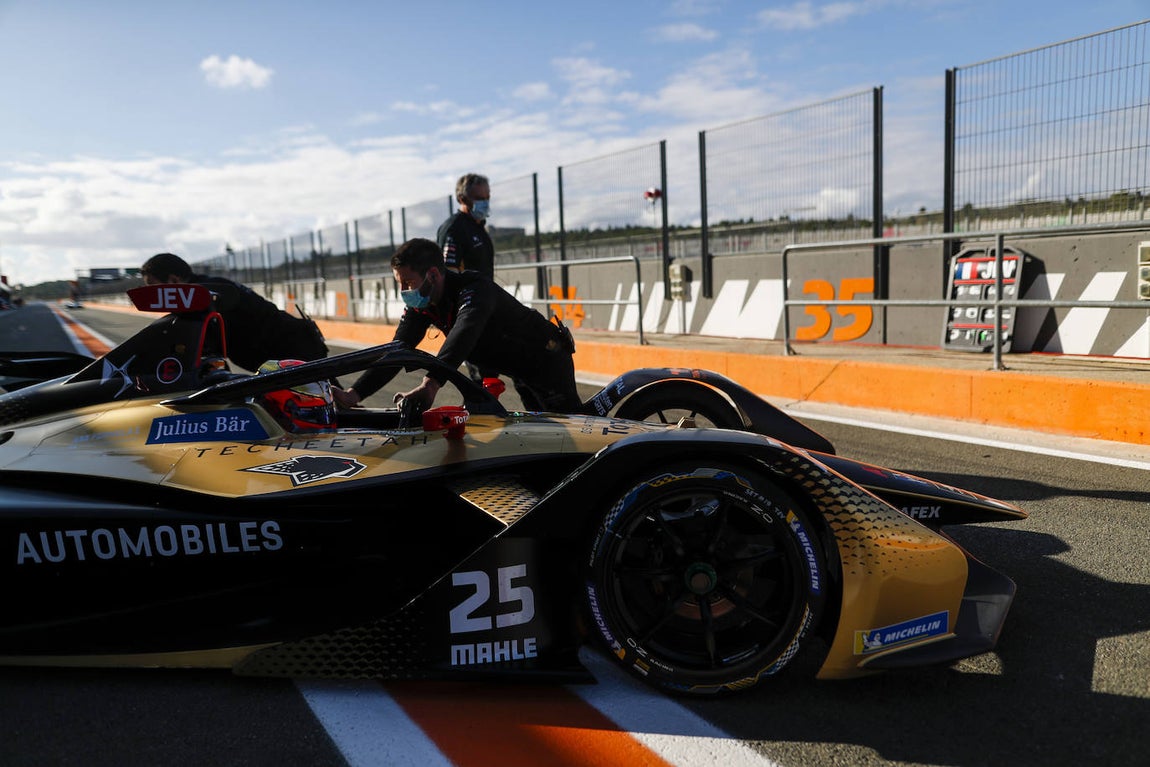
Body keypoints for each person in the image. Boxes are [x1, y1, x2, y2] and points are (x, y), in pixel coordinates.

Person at [336, 238, 579, 414]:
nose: (403, 292)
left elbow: (465, 330)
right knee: (544, 431)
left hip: (546, 359)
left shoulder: (475, 288)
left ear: (432, 275)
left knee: (573, 427)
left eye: (408, 283)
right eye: (399, 284)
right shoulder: (423, 304)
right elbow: (397, 351)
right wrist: (354, 394)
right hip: (518, 368)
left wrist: (430, 384)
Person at [140, 252, 328, 372]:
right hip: (289, 353)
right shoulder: (210, 287)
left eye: (152, 286)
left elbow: (212, 357)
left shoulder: (203, 296)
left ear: (173, 280)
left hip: (294, 356)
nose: (150, 294)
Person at [438, 173, 494, 278]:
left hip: (484, 293)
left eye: (487, 198)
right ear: (462, 199)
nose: (485, 203)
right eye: (479, 199)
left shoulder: (479, 226)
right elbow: (449, 273)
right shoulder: (455, 228)